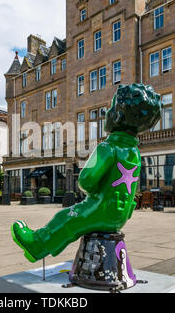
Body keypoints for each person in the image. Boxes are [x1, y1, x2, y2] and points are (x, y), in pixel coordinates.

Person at [12, 84, 162, 263]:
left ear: (118, 115)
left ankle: (36, 245)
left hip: (99, 209)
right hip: (119, 217)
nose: (107, 113)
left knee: (65, 218)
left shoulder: (107, 148)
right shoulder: (135, 153)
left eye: (112, 107)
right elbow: (133, 187)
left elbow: (86, 181)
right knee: (73, 219)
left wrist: (92, 186)